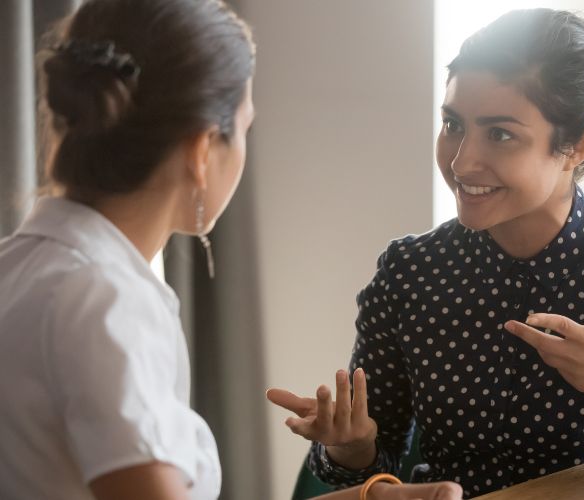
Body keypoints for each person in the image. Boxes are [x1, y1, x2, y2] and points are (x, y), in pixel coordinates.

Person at [267, 8, 584, 498]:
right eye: (453, 124)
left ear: (576, 146)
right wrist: (352, 448)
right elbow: (373, 466)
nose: (462, 161)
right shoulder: (410, 273)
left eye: (500, 134)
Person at [0, 1, 461, 500]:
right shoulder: (106, 303)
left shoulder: (20, 265)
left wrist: (364, 497)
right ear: (201, 151)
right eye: (244, 128)